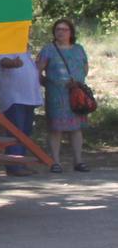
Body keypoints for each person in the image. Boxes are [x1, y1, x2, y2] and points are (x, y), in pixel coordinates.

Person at [36, 18, 90, 173]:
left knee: (76, 128)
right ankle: (55, 162)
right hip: (56, 95)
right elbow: (38, 70)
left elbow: (85, 68)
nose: (61, 32)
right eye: (58, 29)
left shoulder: (79, 49)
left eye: (64, 29)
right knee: (56, 128)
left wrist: (77, 83)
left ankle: (78, 161)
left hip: (77, 94)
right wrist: (48, 83)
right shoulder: (48, 49)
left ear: (71, 32)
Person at [0, 50, 43, 176]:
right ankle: (14, 165)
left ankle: (21, 162)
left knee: (25, 131)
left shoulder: (25, 50)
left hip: (28, 97)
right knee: (15, 131)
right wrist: (13, 63)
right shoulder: (6, 45)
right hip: (14, 98)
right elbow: (3, 61)